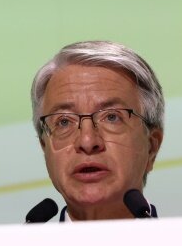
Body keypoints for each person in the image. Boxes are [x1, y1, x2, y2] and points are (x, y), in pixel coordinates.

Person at [30, 41, 164, 221]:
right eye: (64, 121)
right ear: (44, 147)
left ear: (151, 147)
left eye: (112, 117)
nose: (87, 141)